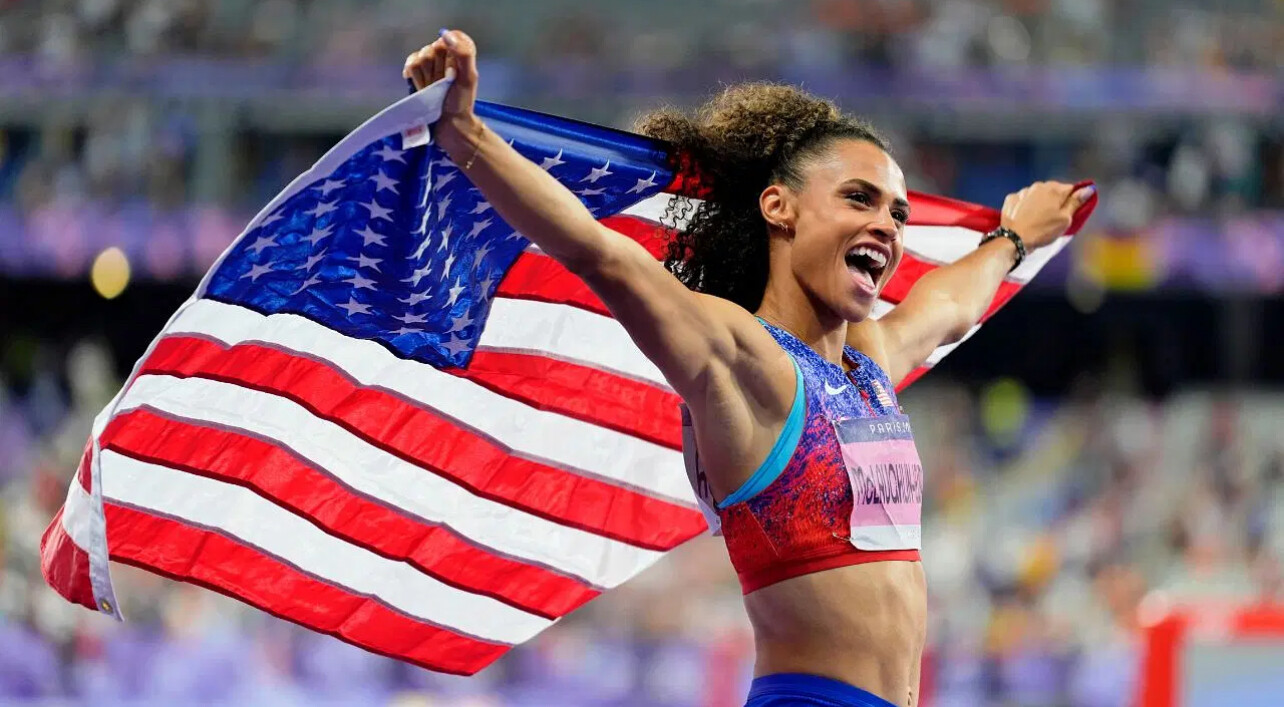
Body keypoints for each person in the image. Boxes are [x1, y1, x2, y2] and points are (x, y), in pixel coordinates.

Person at [404, 29, 1094, 707]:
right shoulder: (745, 361)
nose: (888, 224)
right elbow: (602, 255)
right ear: (778, 207)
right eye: (859, 198)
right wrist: (466, 135)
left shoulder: (867, 368)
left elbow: (947, 306)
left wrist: (1013, 238)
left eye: (897, 212)